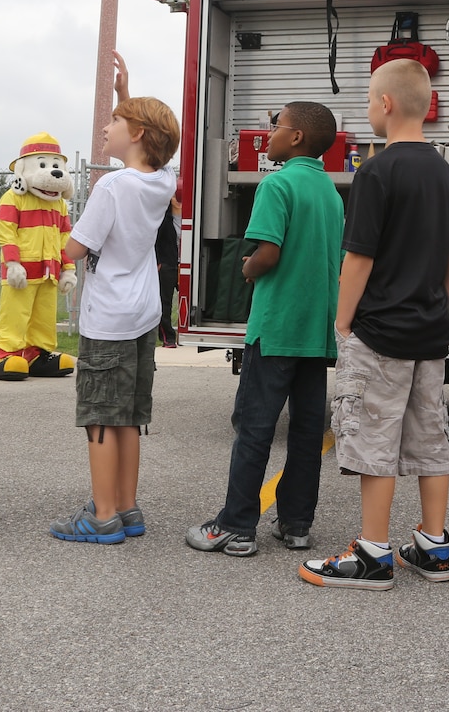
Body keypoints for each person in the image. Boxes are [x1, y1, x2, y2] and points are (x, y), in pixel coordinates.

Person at [300, 59, 449, 590]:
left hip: (380, 332)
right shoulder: (444, 170)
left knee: (374, 437)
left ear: (387, 104)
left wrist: (343, 321)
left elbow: (358, 260)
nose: (370, 109)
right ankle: (433, 547)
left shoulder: (376, 170)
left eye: (371, 100)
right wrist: (434, 302)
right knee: (429, 435)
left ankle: (372, 555)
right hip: (428, 331)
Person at [186, 101, 345, 558]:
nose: (268, 133)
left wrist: (247, 267)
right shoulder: (331, 194)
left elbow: (269, 253)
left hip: (275, 329)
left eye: (276, 127)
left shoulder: (276, 185)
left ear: (295, 138)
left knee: (254, 427)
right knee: (306, 430)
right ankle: (296, 524)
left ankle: (235, 527)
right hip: (315, 334)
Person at [50, 64, 179, 545]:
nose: (106, 126)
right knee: (129, 416)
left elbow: (76, 249)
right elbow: (154, 152)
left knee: (101, 418)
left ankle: (102, 516)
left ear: (138, 133)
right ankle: (127, 507)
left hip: (108, 320)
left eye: (116, 121)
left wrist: (57, 227)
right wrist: (126, 93)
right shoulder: (161, 182)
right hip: (144, 314)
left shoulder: (111, 187)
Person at [156, 196, 181, 347]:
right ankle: (168, 337)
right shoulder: (164, 219)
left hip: (183, 264)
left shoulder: (191, 216)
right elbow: (155, 239)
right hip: (167, 264)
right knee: (165, 301)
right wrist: (158, 260)